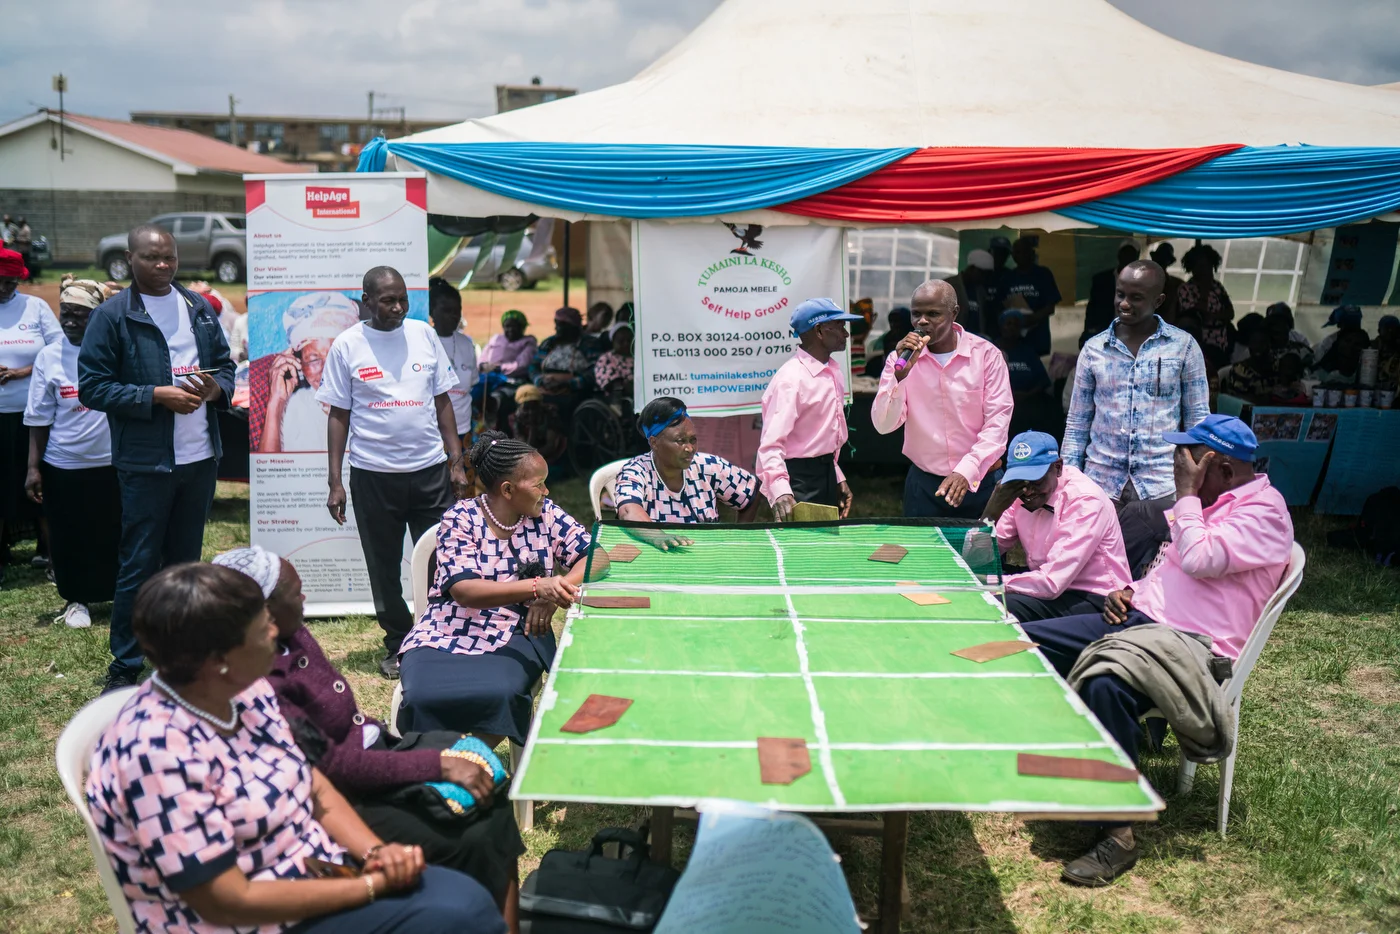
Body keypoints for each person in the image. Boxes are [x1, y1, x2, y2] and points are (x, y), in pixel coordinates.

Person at [87, 562, 506, 934]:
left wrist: (375, 853)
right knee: (461, 914)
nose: (275, 631)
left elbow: (316, 788)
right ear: (219, 660)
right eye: (260, 628)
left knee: (462, 896)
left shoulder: (244, 693)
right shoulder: (154, 753)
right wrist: (367, 886)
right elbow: (228, 899)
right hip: (248, 920)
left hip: (317, 872)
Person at [1022, 414, 1292, 886]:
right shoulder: (1213, 499)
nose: (1179, 469)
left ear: (1224, 469)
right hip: (1143, 620)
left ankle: (1119, 834)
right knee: (1023, 644)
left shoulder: (1264, 513)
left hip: (1190, 646)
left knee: (1108, 681)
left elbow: (1200, 558)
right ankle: (1063, 775)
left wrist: (1187, 494)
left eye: (1189, 462)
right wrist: (1132, 588)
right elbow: (1173, 567)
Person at [214, 547, 524, 926]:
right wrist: (436, 764)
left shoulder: (287, 635)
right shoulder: (258, 679)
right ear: (261, 614)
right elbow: (331, 770)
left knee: (490, 784)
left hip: (373, 751)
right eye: (295, 593)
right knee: (476, 832)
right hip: (349, 790)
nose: (304, 597)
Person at [79, 224, 235, 693]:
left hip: (200, 457)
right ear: (130, 260)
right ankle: (126, 663)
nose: (163, 265)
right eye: (152, 258)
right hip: (147, 463)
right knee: (139, 563)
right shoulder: (112, 316)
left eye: (169, 257)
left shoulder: (198, 308)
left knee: (185, 566)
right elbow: (92, 386)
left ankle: (180, 658)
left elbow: (226, 366)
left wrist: (216, 389)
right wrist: (155, 395)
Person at [397, 432, 604, 746]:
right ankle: (444, 766)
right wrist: (536, 586)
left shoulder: (545, 515)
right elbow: (465, 590)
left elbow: (597, 556)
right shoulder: (461, 518)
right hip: (445, 631)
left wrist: (553, 590)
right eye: (539, 484)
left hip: (516, 633)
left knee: (500, 693)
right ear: (508, 489)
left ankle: (461, 768)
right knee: (424, 695)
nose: (546, 491)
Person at [319, 266, 469, 680]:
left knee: (443, 557)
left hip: (430, 473)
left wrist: (456, 462)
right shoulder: (347, 346)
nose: (398, 307)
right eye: (388, 300)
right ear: (366, 301)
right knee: (383, 567)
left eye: (402, 298)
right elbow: (339, 415)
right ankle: (399, 642)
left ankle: (442, 634)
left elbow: (442, 402)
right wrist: (336, 481)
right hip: (373, 476)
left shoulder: (423, 335)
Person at [1062, 260, 1210, 578]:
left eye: (1136, 297)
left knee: (1153, 576)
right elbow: (1077, 424)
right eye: (1120, 294)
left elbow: (1198, 420)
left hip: (1161, 486)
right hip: (1102, 484)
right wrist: (1069, 485)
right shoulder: (1094, 350)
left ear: (1158, 301)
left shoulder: (1183, 348)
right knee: (1096, 573)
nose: (1124, 304)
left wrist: (1195, 483)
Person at [873, 280, 1013, 518]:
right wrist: (898, 380)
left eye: (933, 314)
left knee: (983, 555)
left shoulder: (986, 356)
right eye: (916, 314)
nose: (922, 321)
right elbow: (883, 425)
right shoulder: (899, 360)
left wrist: (965, 471)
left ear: (954, 313)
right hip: (925, 485)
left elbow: (997, 425)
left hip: (980, 482)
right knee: (924, 556)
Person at [24, 278, 119, 629]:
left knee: (113, 532)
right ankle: (76, 599)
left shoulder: (114, 351)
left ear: (97, 316)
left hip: (112, 463)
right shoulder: (49, 357)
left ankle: (117, 597)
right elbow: (37, 417)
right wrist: (34, 468)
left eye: (80, 315)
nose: (70, 321)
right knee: (69, 534)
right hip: (64, 464)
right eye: (65, 313)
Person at [981, 431, 1131, 622]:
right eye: (1019, 482)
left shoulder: (1085, 501)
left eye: (1036, 481)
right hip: (1048, 585)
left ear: (1058, 468)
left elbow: (1051, 583)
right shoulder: (1018, 494)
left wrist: (991, 583)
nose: (1027, 491)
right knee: (984, 594)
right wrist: (991, 514)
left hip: (1097, 599)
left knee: (998, 604)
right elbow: (977, 560)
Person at [757, 298, 862, 521]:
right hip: (798, 481)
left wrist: (836, 475)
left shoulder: (833, 372)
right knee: (804, 548)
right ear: (820, 331)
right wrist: (781, 492)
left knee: (827, 547)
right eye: (840, 326)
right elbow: (770, 446)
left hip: (825, 472)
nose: (846, 334)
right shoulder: (791, 380)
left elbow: (824, 437)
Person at [614, 397, 760, 545]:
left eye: (693, 440)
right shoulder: (636, 471)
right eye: (680, 441)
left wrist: (739, 537)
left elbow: (751, 492)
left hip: (708, 555)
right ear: (654, 442)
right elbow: (628, 510)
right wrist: (657, 536)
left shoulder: (707, 466)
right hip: (657, 556)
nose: (690, 449)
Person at [0, 247, 60, 586]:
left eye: (10, 283)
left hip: (32, 416)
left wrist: (23, 372)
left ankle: (49, 552)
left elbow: (57, 350)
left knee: (40, 484)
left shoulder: (34, 307)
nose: (4, 290)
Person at [259, 292, 360, 453]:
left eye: (337, 356)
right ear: (298, 363)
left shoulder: (369, 400)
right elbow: (269, 469)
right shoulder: (295, 406)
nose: (327, 370)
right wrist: (276, 402)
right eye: (314, 359)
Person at [428, 278, 479, 446]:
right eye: (446, 310)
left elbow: (472, 382)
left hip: (463, 430)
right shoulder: (424, 342)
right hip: (432, 431)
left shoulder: (466, 343)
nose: (454, 316)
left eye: (457, 310)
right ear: (432, 311)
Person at [996, 236, 1062, 356]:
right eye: (1016, 252)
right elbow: (1000, 306)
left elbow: (1050, 307)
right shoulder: (1007, 278)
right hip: (1013, 338)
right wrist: (1013, 323)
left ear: (1031, 253)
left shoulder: (1043, 274)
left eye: (1023, 251)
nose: (1019, 255)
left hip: (1037, 337)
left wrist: (1031, 319)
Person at [997, 309, 1057, 438]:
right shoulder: (991, 349)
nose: (1012, 328)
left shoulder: (1027, 351)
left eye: (1016, 325)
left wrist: (1027, 395)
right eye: (1008, 324)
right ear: (1001, 327)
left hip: (1026, 401)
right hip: (999, 403)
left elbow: (1042, 381)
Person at [1177, 244, 1235, 367]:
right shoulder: (1186, 289)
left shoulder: (1217, 286)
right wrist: (1204, 290)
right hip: (1200, 342)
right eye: (1200, 266)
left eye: (1208, 265)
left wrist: (1213, 316)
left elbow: (1230, 313)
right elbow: (1197, 315)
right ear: (1192, 268)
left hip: (1221, 339)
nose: (1205, 270)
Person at [530, 306, 596, 396]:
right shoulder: (549, 343)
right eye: (556, 324)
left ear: (574, 326)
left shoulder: (589, 344)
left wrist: (569, 384)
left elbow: (595, 371)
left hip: (575, 392)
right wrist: (539, 380)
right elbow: (533, 366)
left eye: (562, 325)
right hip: (545, 388)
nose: (556, 328)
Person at [1083, 242, 1140, 340]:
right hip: (1103, 331)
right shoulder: (1101, 280)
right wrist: (1088, 330)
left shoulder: (1141, 282)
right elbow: (1092, 307)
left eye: (1131, 255)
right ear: (1119, 255)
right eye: (1125, 254)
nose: (1127, 258)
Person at [944, 249, 995, 335]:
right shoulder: (948, 286)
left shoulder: (981, 291)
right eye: (982, 273)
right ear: (972, 268)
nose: (984, 278)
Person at [478, 310, 537, 381]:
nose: (510, 329)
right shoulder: (496, 338)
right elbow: (483, 356)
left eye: (515, 326)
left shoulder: (528, 341)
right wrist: (482, 365)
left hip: (511, 379)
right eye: (507, 326)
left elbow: (522, 365)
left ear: (522, 327)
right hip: (487, 375)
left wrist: (499, 368)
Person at [1220, 326, 1275, 400]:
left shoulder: (1277, 367)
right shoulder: (1239, 370)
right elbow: (1237, 399)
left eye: (1262, 343)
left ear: (1269, 345)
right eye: (1254, 342)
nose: (1258, 347)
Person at [865, 306, 913, 376]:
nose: (893, 325)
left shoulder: (913, 339)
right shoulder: (887, 338)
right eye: (891, 321)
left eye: (897, 321)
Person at [592, 323, 634, 394]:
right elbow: (611, 384)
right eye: (621, 341)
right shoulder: (606, 359)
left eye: (629, 340)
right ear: (613, 341)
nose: (626, 344)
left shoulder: (639, 358)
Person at [1149, 242, 1183, 324]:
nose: (1161, 262)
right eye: (1160, 259)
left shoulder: (1177, 284)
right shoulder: (1145, 280)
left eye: (1164, 259)